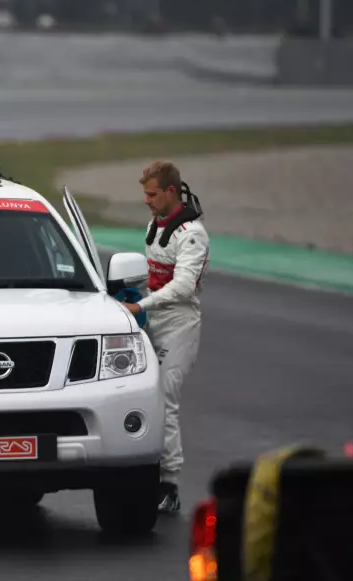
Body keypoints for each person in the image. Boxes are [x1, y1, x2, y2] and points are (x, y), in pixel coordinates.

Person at [120, 160, 210, 515]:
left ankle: (169, 486)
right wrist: (131, 295)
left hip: (180, 324)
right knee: (143, 398)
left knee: (165, 399)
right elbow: (153, 276)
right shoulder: (155, 224)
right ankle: (144, 475)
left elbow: (184, 287)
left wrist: (142, 305)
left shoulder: (191, 234)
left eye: (152, 194)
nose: (146, 200)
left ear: (171, 192)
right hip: (153, 318)